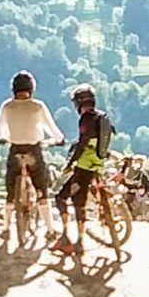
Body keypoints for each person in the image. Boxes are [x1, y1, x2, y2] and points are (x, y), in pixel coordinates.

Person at [0, 71, 62, 246]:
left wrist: (2, 137)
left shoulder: (7, 106)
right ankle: (50, 230)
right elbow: (51, 127)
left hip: (15, 150)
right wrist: (59, 139)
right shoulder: (37, 106)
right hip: (33, 151)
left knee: (10, 192)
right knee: (42, 191)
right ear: (31, 88)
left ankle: (6, 228)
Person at [51, 83, 112, 258]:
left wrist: (70, 163)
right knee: (80, 201)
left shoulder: (86, 120)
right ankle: (75, 239)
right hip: (97, 165)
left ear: (79, 103)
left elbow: (83, 144)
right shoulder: (102, 117)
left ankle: (73, 240)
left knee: (64, 199)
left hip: (83, 168)